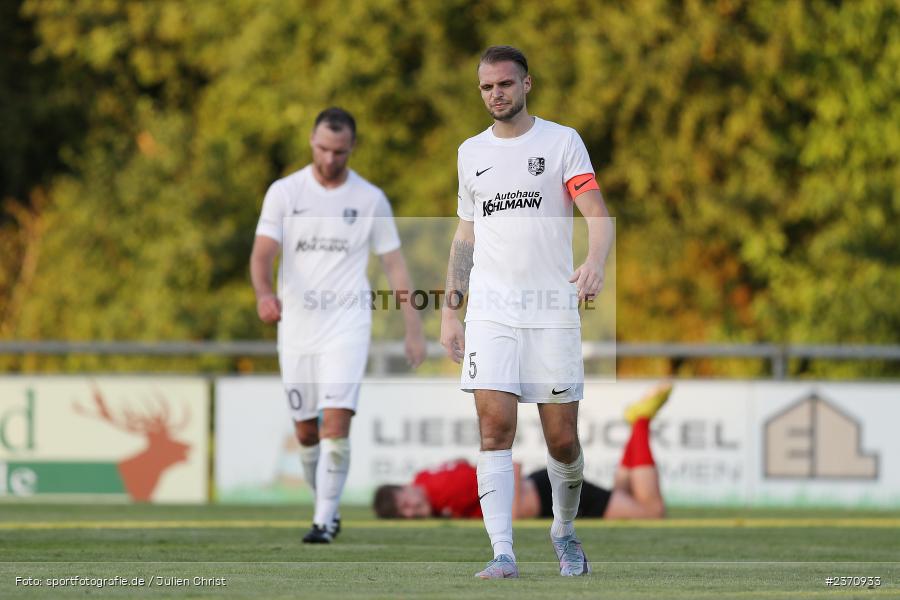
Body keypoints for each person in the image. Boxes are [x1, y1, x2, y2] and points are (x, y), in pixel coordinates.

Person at [439, 46, 615, 578]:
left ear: (526, 84)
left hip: (552, 312)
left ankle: (563, 530)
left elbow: (599, 217)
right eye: (488, 87)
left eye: (506, 85)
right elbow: (465, 234)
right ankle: (502, 552)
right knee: (495, 428)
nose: (497, 94)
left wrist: (595, 263)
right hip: (491, 312)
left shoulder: (562, 142)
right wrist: (451, 311)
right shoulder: (471, 152)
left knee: (562, 439)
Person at [250, 107, 427, 544]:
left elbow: (395, 266)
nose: (330, 159)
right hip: (296, 328)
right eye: (323, 149)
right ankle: (324, 505)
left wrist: (413, 327)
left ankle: (323, 521)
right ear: (312, 142)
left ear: (352, 148)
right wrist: (263, 294)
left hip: (347, 325)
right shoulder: (285, 192)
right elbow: (263, 254)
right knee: (306, 431)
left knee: (335, 422)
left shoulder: (370, 199)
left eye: (340, 151)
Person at [373, 384, 671, 522]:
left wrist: (510, 519)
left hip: (546, 496)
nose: (413, 512)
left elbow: (507, 471)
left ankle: (641, 423)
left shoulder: (439, 490)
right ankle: (636, 428)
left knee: (651, 512)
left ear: (407, 487)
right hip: (543, 493)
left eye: (407, 504)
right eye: (406, 515)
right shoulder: (431, 484)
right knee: (626, 497)